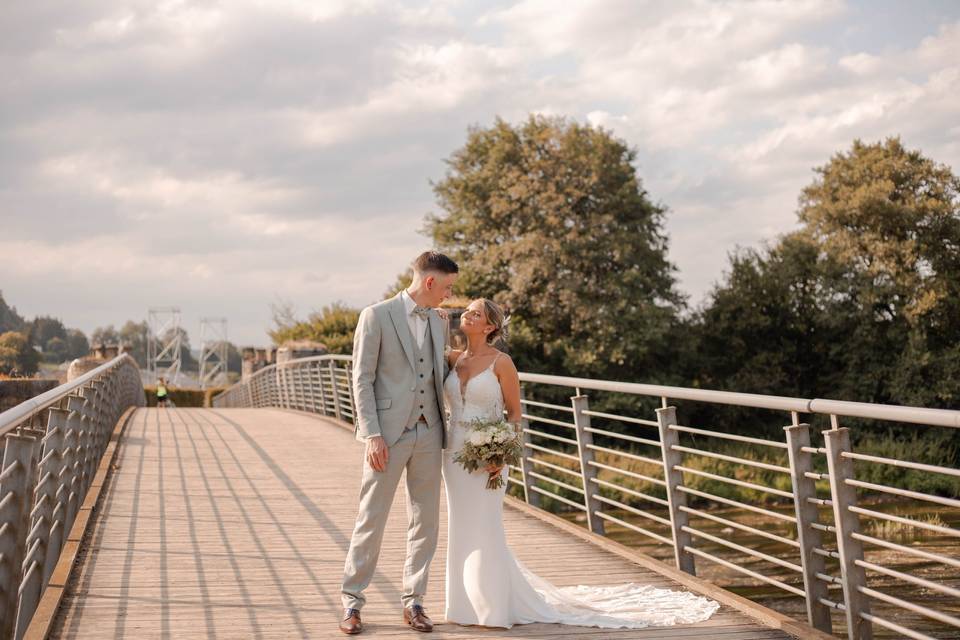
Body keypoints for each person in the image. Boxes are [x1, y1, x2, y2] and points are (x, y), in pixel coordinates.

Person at [441, 298, 720, 629]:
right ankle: (464, 606)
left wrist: (503, 454)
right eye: (467, 311)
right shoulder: (453, 358)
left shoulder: (502, 363)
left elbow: (515, 414)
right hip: (453, 456)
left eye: (475, 313)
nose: (467, 315)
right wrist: (440, 320)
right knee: (461, 527)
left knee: (486, 526)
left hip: (491, 457)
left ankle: (494, 607)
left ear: (489, 327)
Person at [339, 251, 459, 635]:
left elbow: (441, 368)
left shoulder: (440, 321)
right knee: (371, 518)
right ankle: (352, 602)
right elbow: (362, 379)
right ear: (429, 283)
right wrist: (372, 434)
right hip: (387, 435)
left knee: (425, 522)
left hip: (431, 432)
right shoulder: (375, 316)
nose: (449, 295)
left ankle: (415, 601)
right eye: (447, 287)